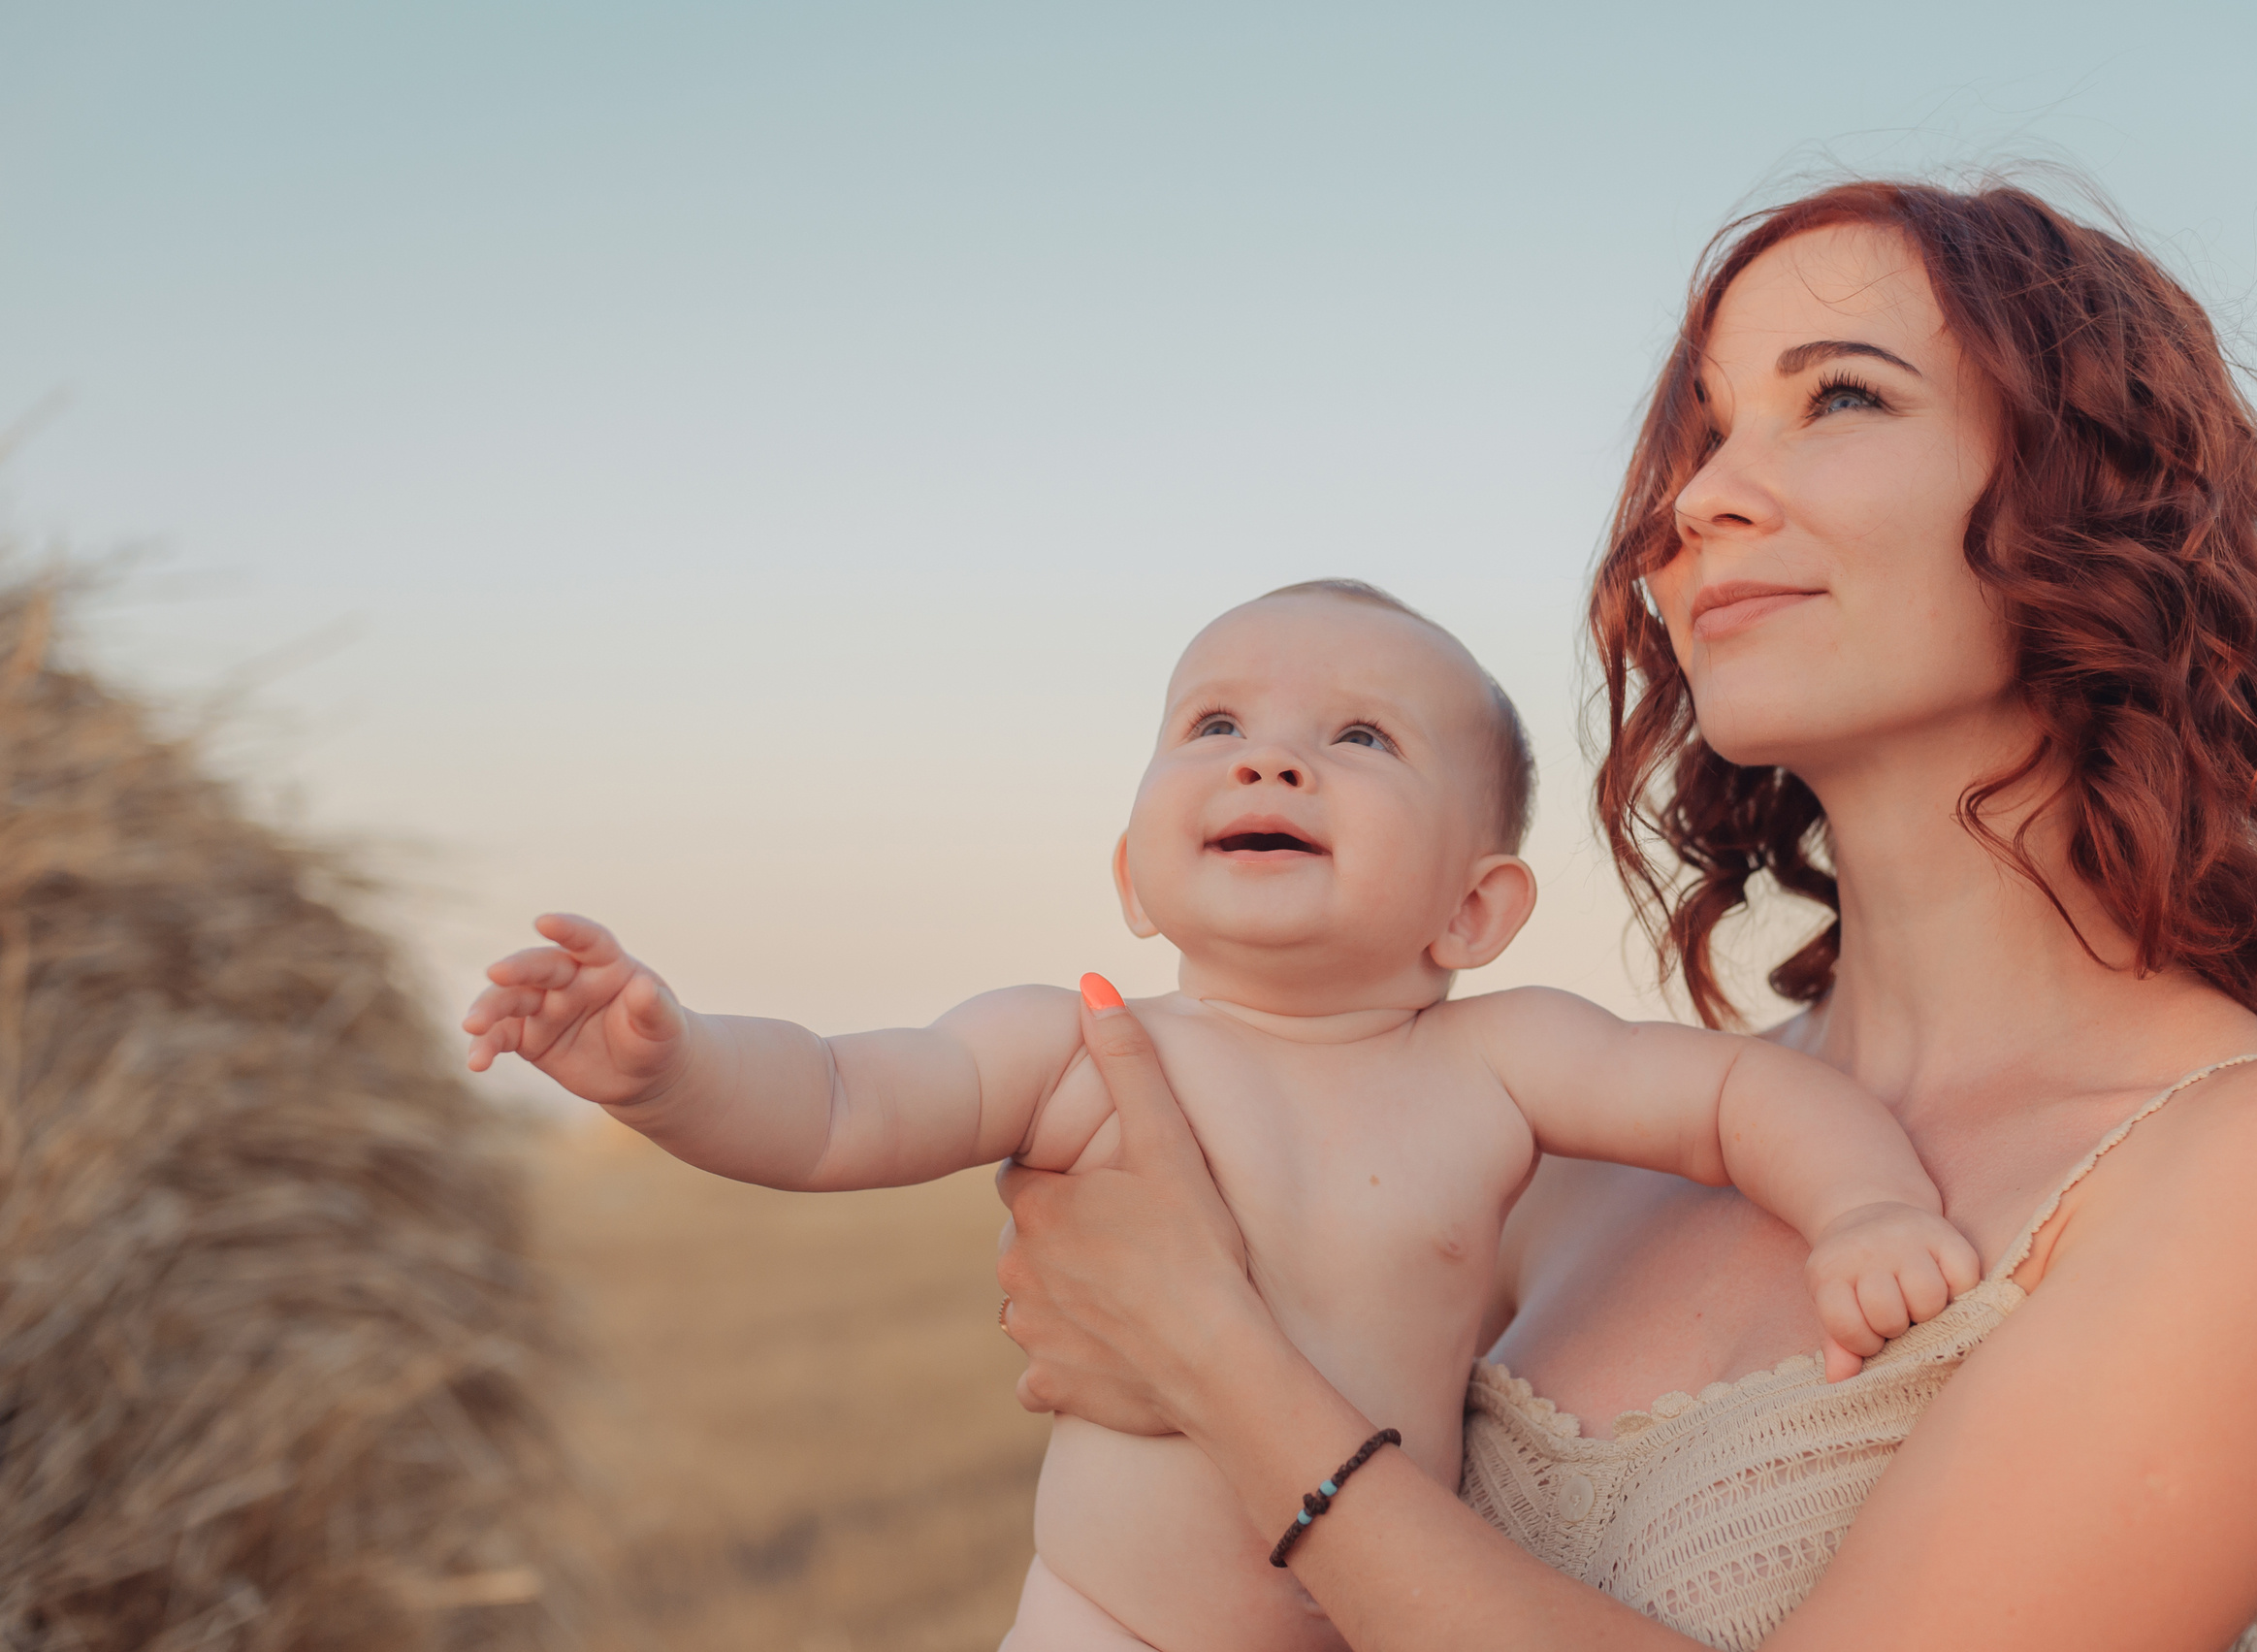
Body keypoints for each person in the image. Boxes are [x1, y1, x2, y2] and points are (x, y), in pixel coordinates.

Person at [988, 178, 2257, 1652]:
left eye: (1841, 398)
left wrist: (1217, 1368)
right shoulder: (1571, 1167)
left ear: (2100, 494)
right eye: (1706, 433)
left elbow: (1218, 1376)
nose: (1698, 502)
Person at [460, 580, 1982, 1652]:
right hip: (1106, 1625)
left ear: (1472, 907)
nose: (1271, 756)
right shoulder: (1080, 1046)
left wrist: (1862, 1207)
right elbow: (841, 1102)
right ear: (1132, 871)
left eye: (1362, 739)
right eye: (1215, 724)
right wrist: (671, 1072)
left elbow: (1739, 1093)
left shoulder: (1505, 1063)